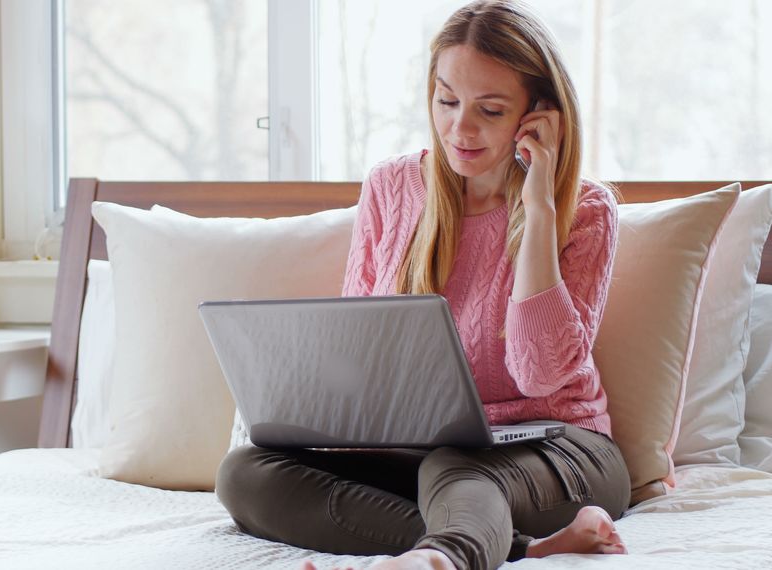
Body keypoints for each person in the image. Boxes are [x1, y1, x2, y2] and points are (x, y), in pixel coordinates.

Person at [215, 1, 631, 569]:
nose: (460, 128)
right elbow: (358, 348)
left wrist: (536, 209)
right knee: (246, 473)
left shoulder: (582, 210)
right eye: (447, 100)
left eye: (489, 109)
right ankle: (521, 548)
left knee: (454, 470)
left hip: (560, 450)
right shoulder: (391, 187)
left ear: (538, 115)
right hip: (423, 453)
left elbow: (540, 374)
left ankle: (438, 560)